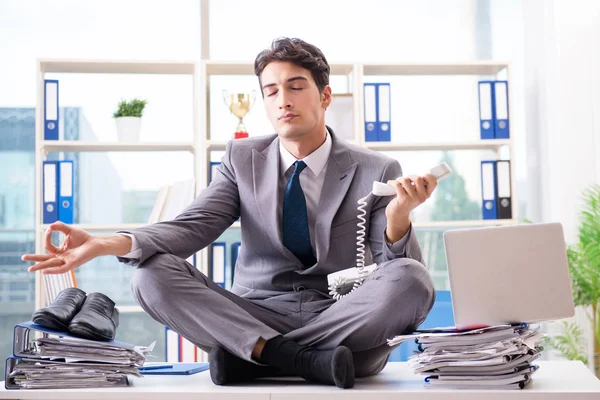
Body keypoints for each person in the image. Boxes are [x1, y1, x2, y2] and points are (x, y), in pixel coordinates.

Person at [22, 37, 437, 389]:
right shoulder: (243, 157)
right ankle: (301, 359)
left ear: (325, 95)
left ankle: (263, 357)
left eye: (295, 87)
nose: (283, 100)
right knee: (150, 273)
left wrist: (399, 217)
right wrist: (104, 243)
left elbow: (393, 271)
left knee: (413, 280)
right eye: (271, 91)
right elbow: (193, 226)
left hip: (339, 315)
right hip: (255, 315)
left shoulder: (376, 169)